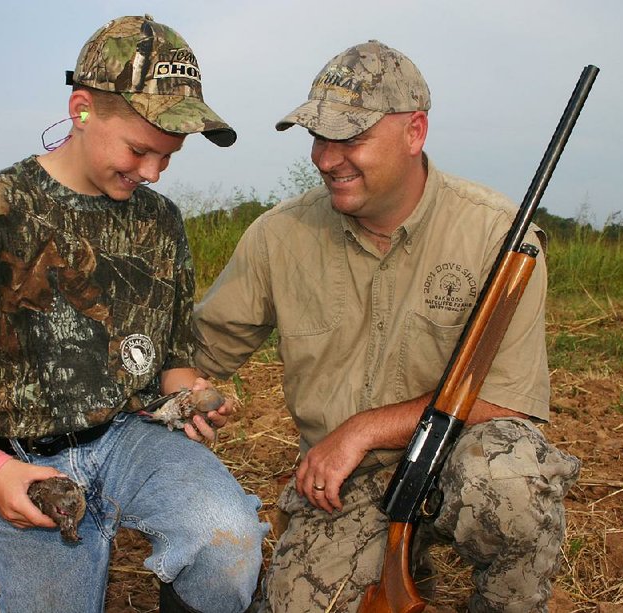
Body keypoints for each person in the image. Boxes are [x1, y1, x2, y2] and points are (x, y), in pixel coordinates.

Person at [194, 40, 580, 612]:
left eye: (349, 138)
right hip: (343, 486)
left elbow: (508, 402)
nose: (325, 158)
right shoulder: (279, 235)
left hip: (460, 456)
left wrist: (363, 429)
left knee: (510, 483)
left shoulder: (498, 236)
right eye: (317, 138)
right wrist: (178, 387)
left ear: (414, 133)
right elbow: (200, 351)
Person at [0, 15, 267, 613]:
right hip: (28, 463)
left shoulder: (160, 222)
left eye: (168, 158)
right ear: (82, 109)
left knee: (227, 541)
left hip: (134, 438)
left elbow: (170, 353)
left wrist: (188, 394)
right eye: (139, 149)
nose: (151, 172)